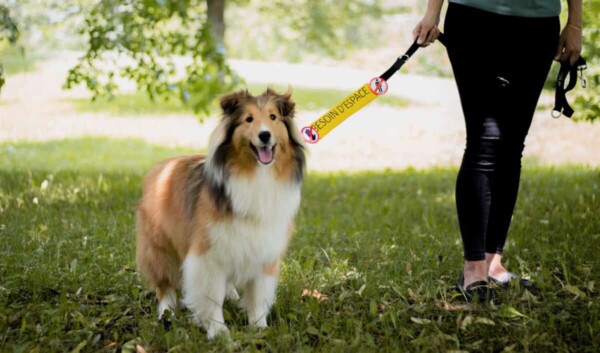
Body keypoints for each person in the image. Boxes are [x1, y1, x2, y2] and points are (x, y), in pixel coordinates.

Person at [413, 0, 582, 301]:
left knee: (512, 145)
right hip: (475, 17)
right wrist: (432, 12)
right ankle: (473, 269)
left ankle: (493, 263)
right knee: (484, 140)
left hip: (538, 22)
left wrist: (574, 23)